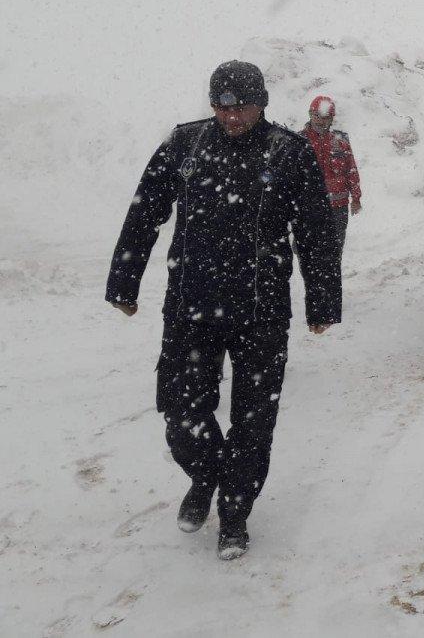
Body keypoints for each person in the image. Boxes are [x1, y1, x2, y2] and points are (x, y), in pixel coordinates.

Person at [106, 61, 341, 560]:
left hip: (262, 309)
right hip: (191, 306)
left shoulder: (288, 152)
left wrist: (322, 300)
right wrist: (124, 282)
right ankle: (205, 474)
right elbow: (145, 210)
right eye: (222, 106)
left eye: (242, 106)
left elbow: (318, 233)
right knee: (180, 411)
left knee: (253, 422)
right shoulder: (185, 144)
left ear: (262, 104)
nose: (232, 116)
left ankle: (234, 513)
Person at [302, 95, 362, 261]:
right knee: (310, 255)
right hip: (309, 207)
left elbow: (351, 170)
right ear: (310, 114)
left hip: (338, 209)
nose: (321, 121)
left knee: (334, 253)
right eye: (317, 116)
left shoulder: (341, 141)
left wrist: (356, 198)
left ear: (332, 119)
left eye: (325, 118)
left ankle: (330, 283)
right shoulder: (299, 141)